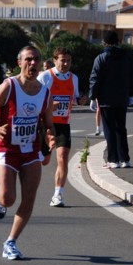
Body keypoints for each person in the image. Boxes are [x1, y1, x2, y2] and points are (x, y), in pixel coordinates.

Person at [0, 46, 55, 260]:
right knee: (8, 198)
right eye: (28, 60)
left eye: (36, 60)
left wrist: (49, 140)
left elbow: (49, 125)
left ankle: (10, 242)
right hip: (6, 148)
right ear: (19, 62)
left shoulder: (45, 93)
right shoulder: (8, 87)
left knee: (29, 198)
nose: (33, 64)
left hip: (30, 150)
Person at [38, 47, 87, 207]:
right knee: (44, 161)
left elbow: (75, 98)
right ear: (55, 60)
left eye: (68, 60)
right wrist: (50, 105)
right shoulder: (45, 76)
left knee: (62, 158)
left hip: (64, 124)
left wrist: (80, 101)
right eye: (62, 60)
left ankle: (58, 195)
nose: (66, 63)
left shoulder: (74, 78)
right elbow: (34, 99)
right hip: (46, 124)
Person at [89, 31, 133, 169]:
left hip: (105, 99)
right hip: (122, 98)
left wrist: (93, 97)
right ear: (118, 41)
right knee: (121, 129)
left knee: (109, 130)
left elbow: (95, 78)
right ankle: (125, 159)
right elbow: (132, 76)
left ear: (104, 43)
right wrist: (131, 94)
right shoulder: (127, 57)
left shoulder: (101, 58)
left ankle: (113, 159)